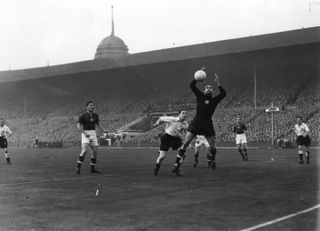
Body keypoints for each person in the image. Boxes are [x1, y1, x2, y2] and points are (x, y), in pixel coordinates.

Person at [172, 69, 226, 176]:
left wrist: (218, 82)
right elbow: (192, 85)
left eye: (211, 88)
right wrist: (197, 78)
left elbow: (224, 94)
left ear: (212, 91)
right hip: (196, 122)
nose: (209, 88)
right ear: (204, 90)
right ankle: (177, 165)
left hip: (207, 124)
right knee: (185, 144)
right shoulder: (200, 96)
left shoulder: (214, 100)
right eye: (207, 87)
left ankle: (213, 159)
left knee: (213, 147)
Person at [153, 110, 188, 176]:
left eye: (186, 113)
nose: (185, 115)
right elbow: (161, 118)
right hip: (167, 138)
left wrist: (188, 142)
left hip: (176, 139)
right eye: (183, 113)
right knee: (161, 157)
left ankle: (176, 167)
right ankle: (157, 168)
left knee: (184, 154)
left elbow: (187, 133)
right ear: (179, 114)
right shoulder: (173, 119)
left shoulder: (185, 124)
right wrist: (157, 123)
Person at [76, 101, 107, 174]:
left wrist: (104, 130)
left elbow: (98, 124)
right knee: (84, 151)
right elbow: (78, 126)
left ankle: (92, 169)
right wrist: (84, 133)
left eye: (93, 105)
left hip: (93, 133)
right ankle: (78, 167)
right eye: (90, 105)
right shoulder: (82, 115)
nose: (92, 107)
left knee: (95, 152)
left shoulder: (95, 115)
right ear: (87, 106)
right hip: (85, 133)